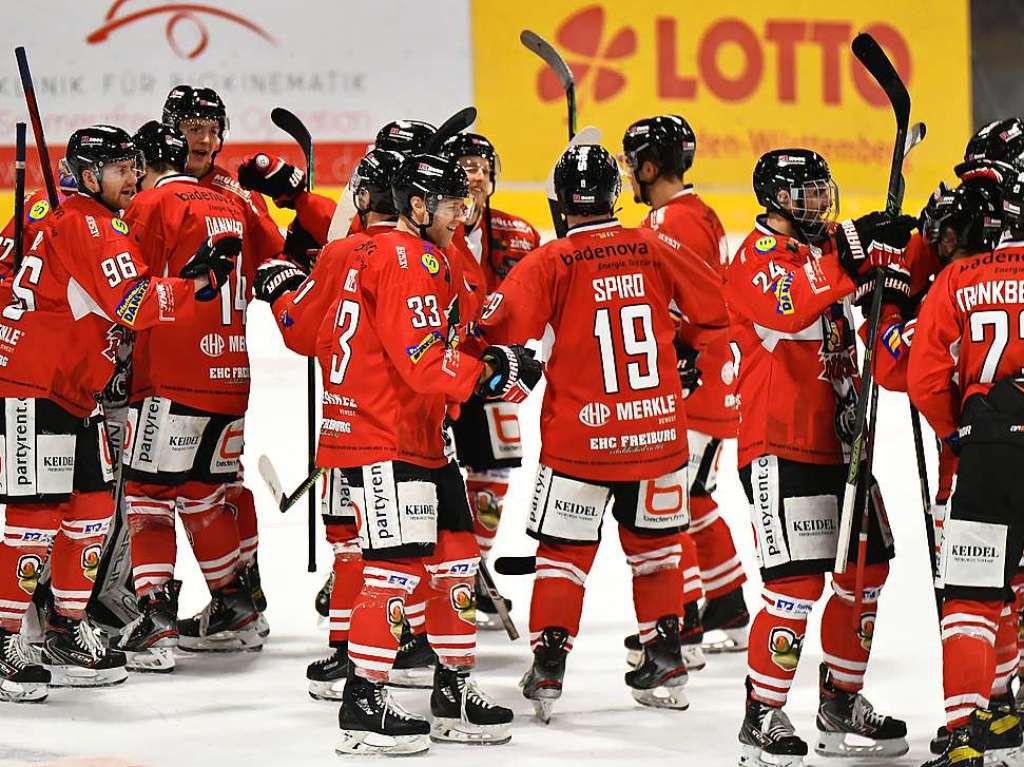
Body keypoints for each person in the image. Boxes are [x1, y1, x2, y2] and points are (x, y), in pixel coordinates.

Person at [478, 143, 729, 719]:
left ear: (561, 200)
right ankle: (664, 655)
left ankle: (548, 665)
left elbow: (495, 326)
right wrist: (686, 350)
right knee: (657, 551)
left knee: (564, 556)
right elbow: (715, 309)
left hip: (579, 442)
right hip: (657, 436)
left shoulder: (550, 260)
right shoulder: (655, 243)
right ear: (615, 194)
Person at [0, 125, 237, 700]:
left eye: (135, 166)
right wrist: (198, 282)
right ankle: (5, 635)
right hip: (37, 386)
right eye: (120, 169)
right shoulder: (89, 222)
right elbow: (131, 302)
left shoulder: (77, 217)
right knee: (35, 519)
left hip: (76, 389)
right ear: (87, 177)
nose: (133, 177)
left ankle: (63, 627)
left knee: (91, 512)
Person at [325, 153, 534, 755]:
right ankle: (362, 701)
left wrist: (487, 357)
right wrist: (494, 371)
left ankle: (452, 689)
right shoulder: (407, 258)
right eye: (450, 205)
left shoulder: (370, 251)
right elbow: (422, 361)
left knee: (456, 562)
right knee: (395, 568)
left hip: (416, 432)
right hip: (387, 434)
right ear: (417, 207)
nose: (462, 215)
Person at [725, 148, 915, 765]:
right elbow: (790, 306)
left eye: (820, 191)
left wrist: (897, 263)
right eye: (802, 194)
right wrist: (852, 256)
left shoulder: (825, 248)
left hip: (844, 442)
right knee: (795, 585)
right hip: (781, 442)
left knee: (866, 574)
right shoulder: (755, 257)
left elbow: (857, 281)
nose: (817, 205)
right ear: (774, 200)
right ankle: (764, 712)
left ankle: (840, 700)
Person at [255, 147, 436, 696]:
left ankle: (353, 658)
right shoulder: (428, 255)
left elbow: (302, 331)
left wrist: (282, 289)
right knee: (409, 542)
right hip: (413, 422)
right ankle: (413, 640)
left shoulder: (347, 255)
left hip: (352, 424)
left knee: (359, 545)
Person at [101, 120, 259, 669]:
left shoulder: (151, 206)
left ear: (144, 164)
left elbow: (125, 288)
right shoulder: (227, 203)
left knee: (145, 493)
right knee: (200, 492)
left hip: (170, 372)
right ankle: (234, 602)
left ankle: (154, 620)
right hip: (230, 374)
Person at [620, 114, 749, 666]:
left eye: (632, 164)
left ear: (650, 166)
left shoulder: (668, 224)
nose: (628, 173)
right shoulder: (693, 214)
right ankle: (724, 606)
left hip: (698, 383)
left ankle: (687, 618)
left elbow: (697, 307)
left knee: (673, 504)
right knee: (694, 499)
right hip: (712, 380)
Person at [907, 168, 1024, 767]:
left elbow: (923, 380)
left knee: (972, 599)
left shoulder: (958, 277)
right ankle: (1011, 715)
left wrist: (959, 436)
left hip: (991, 457)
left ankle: (965, 742)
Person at [162, 85, 284, 635]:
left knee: (175, 491)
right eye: (194, 127)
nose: (206, 139)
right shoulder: (240, 198)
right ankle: (246, 591)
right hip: (231, 367)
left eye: (213, 128)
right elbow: (278, 265)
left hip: (177, 367)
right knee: (225, 483)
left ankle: (229, 597)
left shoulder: (161, 194)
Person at [439, 131, 541, 628]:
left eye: (481, 165)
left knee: (494, 471)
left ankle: (475, 566)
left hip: (496, 371)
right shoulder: (433, 230)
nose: (474, 175)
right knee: (428, 471)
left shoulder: (521, 234)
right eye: (463, 166)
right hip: (442, 369)